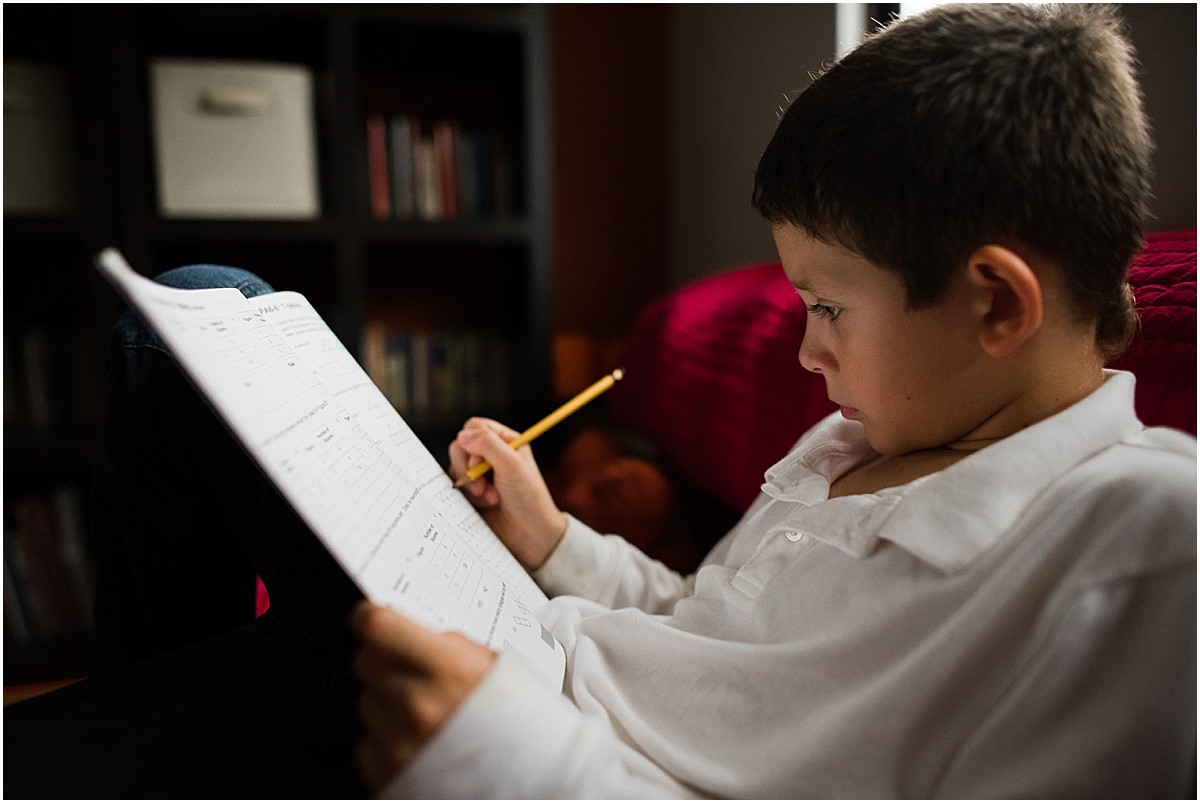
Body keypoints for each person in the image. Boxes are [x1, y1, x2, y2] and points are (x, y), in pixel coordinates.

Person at [2, 3, 1193, 799]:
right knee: (197, 312)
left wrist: (504, 756)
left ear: (996, 305)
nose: (806, 354)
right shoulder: (861, 437)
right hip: (517, 646)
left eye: (828, 306)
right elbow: (705, 624)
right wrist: (556, 538)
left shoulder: (1141, 542)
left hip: (517, 745)